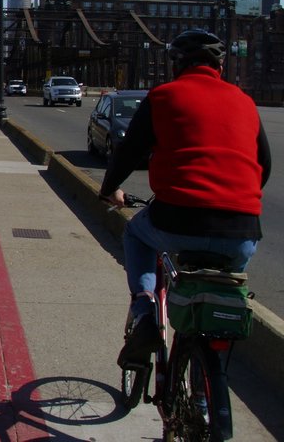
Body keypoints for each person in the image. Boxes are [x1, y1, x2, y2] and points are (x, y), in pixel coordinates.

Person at [99, 29, 271, 368]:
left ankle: (145, 311)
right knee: (216, 300)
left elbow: (128, 153)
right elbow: (264, 165)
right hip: (242, 231)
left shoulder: (164, 96)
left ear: (176, 65)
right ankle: (203, 391)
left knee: (137, 234)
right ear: (220, 65)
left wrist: (109, 190)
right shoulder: (245, 102)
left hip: (176, 218)